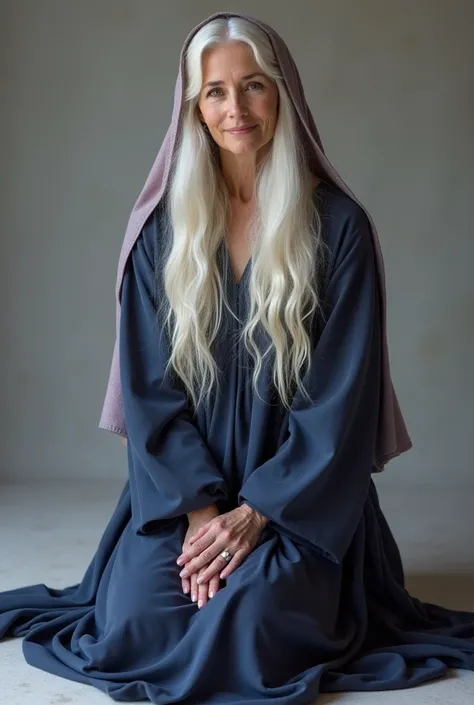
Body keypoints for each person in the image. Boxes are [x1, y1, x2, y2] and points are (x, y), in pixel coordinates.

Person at [1, 11, 473, 705]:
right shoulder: (161, 231)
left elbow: (340, 403)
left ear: (283, 93)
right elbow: (149, 389)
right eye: (215, 92)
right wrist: (200, 513)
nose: (235, 108)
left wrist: (255, 513)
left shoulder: (338, 227)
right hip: (180, 497)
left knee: (251, 626)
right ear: (192, 106)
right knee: (139, 623)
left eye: (253, 86)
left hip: (300, 502)